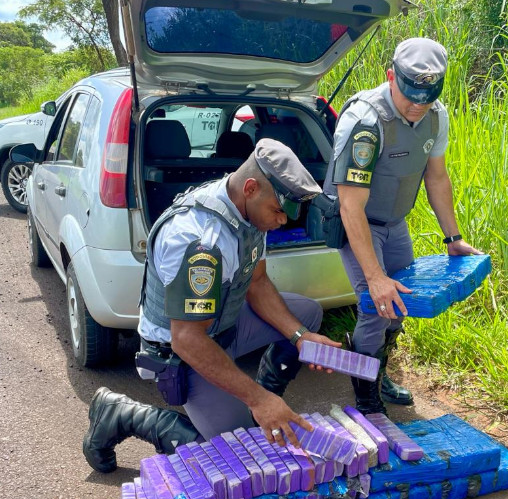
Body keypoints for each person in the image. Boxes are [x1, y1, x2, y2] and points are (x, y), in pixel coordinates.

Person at [83, 139, 341, 473]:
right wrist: (259, 401)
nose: (282, 221)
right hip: (181, 352)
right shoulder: (200, 241)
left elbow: (258, 283)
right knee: (238, 457)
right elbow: (187, 339)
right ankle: (120, 413)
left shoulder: (249, 213)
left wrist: (300, 336)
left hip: (222, 326)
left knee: (306, 315)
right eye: (279, 211)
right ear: (250, 188)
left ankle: (261, 398)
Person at [322, 37, 482, 416]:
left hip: (395, 222)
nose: (417, 105)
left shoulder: (435, 115)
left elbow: (437, 177)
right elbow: (350, 205)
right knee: (377, 306)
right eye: (410, 94)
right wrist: (375, 275)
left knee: (401, 303)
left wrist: (454, 237)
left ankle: (377, 370)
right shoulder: (365, 121)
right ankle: (365, 394)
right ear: (391, 76)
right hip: (357, 223)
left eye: (427, 97)